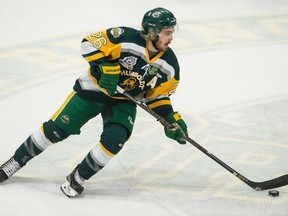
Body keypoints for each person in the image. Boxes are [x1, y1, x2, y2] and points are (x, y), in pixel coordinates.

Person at [0, 7, 188, 198]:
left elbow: (157, 96)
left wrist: (170, 119)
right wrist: (106, 66)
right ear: (152, 32)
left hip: (123, 101)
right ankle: (15, 162)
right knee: (55, 131)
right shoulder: (124, 37)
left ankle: (78, 177)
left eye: (172, 32)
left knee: (115, 140)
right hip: (94, 90)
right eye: (167, 33)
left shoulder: (170, 64)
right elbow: (89, 43)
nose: (171, 38)